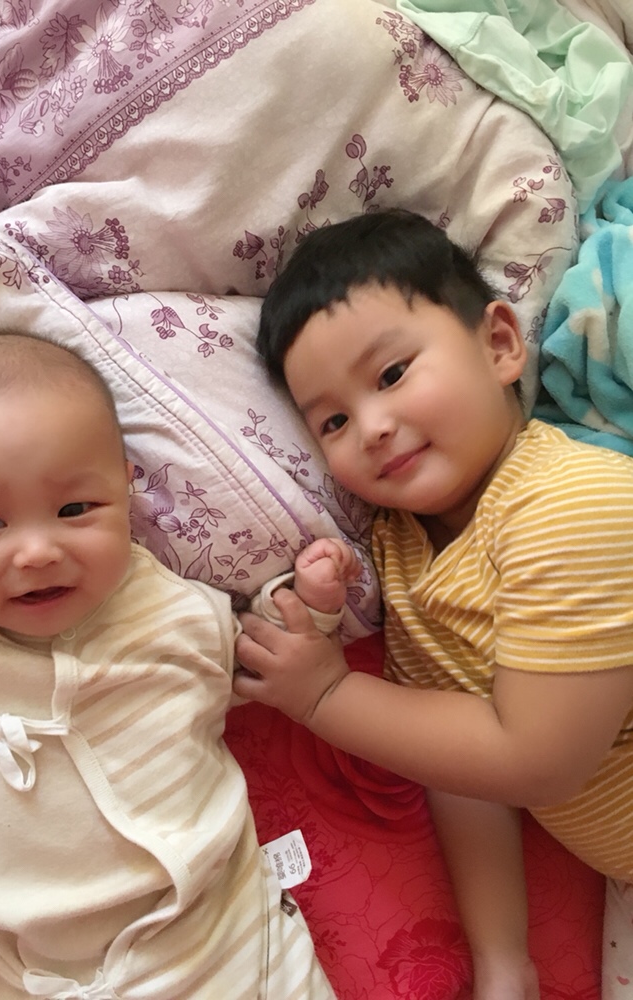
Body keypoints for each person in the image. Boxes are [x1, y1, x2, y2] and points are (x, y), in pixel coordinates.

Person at [233, 208, 633, 1000]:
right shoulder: (402, 555)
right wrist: (503, 963)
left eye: (391, 375)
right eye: (334, 421)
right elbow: (457, 765)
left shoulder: (571, 503)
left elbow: (536, 759)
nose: (373, 427)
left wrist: (325, 695)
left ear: (499, 345)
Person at [0, 332, 356, 1000]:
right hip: (51, 980)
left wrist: (312, 607)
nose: (37, 552)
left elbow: (264, 659)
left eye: (76, 510)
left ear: (127, 488)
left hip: (233, 941)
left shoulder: (176, 611)